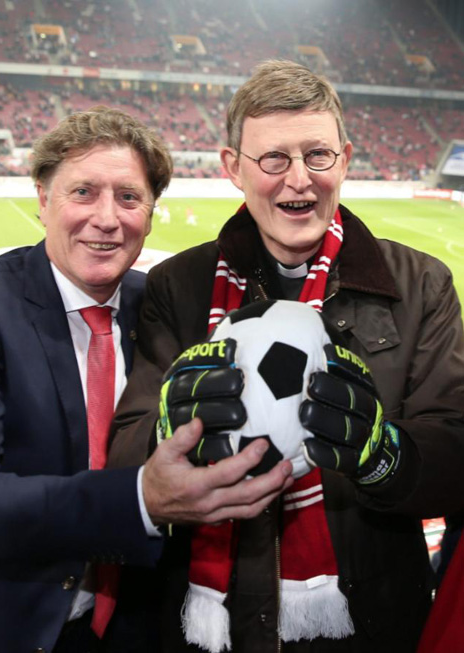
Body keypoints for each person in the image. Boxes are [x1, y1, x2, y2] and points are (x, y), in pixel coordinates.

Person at [108, 61, 464, 653]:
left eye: (317, 155)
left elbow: (455, 449)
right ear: (233, 169)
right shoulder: (179, 283)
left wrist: (384, 455)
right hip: (207, 630)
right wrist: (169, 432)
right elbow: (127, 451)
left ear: (344, 160)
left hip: (369, 621)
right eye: (273, 158)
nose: (298, 180)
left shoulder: (420, 283)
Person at [0, 105, 293, 653]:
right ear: (43, 198)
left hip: (131, 629)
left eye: (129, 197)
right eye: (84, 192)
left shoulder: (160, 307)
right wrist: (140, 500)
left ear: (152, 210)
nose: (108, 218)